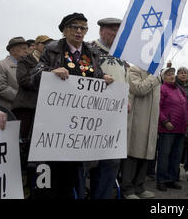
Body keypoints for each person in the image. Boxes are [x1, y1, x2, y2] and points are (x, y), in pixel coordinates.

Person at [31, 12, 113, 199]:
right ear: (64, 30)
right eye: (74, 27)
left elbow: (95, 77)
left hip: (78, 128)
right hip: (54, 125)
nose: (78, 31)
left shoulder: (92, 53)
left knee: (73, 175)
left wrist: (104, 79)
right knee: (50, 174)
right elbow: (33, 77)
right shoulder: (52, 49)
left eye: (83, 28)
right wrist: (51, 71)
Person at [85, 17, 128, 199]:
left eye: (119, 32)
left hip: (115, 114)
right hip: (92, 112)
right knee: (88, 160)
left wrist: (127, 98)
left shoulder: (121, 53)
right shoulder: (89, 49)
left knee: (111, 160)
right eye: (112, 31)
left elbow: (124, 79)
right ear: (102, 31)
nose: (116, 35)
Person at [12, 35, 53, 175]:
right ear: (36, 45)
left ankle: (34, 177)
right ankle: (18, 175)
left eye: (49, 44)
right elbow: (23, 80)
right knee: (21, 143)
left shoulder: (51, 62)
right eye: (44, 44)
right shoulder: (25, 60)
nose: (47, 46)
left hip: (43, 108)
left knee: (38, 144)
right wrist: (43, 78)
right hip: (26, 106)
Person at [120, 64, 161, 199]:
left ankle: (139, 187)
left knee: (146, 154)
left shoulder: (156, 73)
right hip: (137, 119)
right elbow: (138, 89)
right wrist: (154, 76)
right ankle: (127, 189)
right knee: (133, 153)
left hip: (151, 122)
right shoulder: (134, 69)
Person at [156, 67, 188, 192]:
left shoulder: (180, 89)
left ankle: (171, 179)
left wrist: (187, 120)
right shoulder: (162, 89)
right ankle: (161, 180)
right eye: (168, 74)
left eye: (172, 74)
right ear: (163, 77)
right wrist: (165, 121)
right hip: (167, 129)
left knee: (176, 156)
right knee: (164, 155)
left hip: (180, 128)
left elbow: (186, 106)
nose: (171, 76)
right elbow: (157, 108)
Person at [0, 37, 29, 110]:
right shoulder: (0, 65)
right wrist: (23, 98)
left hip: (26, 110)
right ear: (13, 50)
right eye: (23, 48)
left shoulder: (28, 66)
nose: (27, 51)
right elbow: (0, 87)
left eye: (27, 48)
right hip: (9, 110)